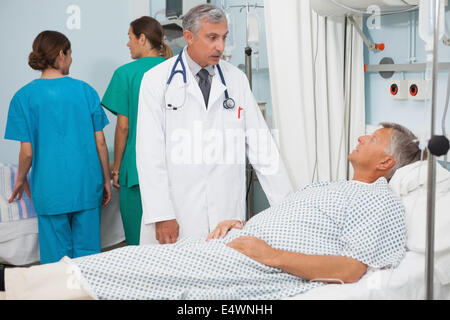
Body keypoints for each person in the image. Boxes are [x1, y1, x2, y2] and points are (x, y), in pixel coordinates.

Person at [1, 122, 424, 300]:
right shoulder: (331, 185)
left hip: (257, 267)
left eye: (372, 138)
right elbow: (297, 222)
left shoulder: (378, 199)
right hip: (234, 245)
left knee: (135, 267)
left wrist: (269, 255)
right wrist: (243, 224)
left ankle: (15, 286)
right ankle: (15, 286)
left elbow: (352, 269)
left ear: (386, 163)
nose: (361, 137)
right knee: (136, 262)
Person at [136, 4, 293, 245]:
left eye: (224, 37)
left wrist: (288, 210)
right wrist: (161, 214)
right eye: (212, 38)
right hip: (177, 212)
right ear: (188, 37)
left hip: (225, 213)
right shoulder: (157, 81)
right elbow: (149, 153)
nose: (221, 46)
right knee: (176, 277)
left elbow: (263, 148)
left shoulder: (235, 79)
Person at [4, 30, 111, 264]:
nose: (71, 60)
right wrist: (105, 180)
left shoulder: (23, 97)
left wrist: (21, 178)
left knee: (55, 263)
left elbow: (27, 152)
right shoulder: (85, 91)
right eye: (70, 54)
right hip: (86, 186)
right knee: (89, 259)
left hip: (49, 189)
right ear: (61, 54)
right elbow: (100, 142)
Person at [102, 16, 173, 245]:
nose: (128, 43)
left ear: (142, 38)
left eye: (130, 37)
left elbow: (124, 126)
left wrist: (116, 169)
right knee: (173, 241)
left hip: (136, 169)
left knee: (138, 242)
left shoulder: (126, 74)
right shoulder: (176, 69)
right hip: (175, 165)